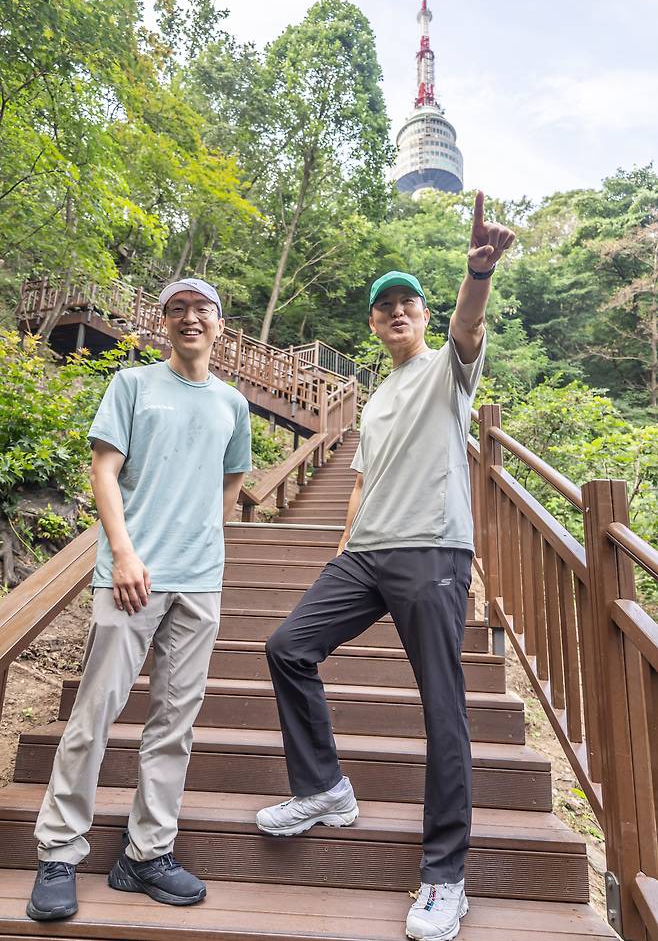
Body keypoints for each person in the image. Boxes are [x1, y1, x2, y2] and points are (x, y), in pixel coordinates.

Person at [256, 193, 515, 941]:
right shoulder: (373, 401)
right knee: (286, 646)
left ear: (423, 317)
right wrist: (342, 545)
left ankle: (445, 877)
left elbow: (470, 324)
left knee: (442, 707)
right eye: (384, 307)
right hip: (366, 554)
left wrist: (478, 272)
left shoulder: (446, 371)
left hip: (433, 548)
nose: (396, 312)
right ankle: (324, 787)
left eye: (407, 303)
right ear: (372, 325)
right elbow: (364, 477)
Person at [27, 279, 252, 922]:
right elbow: (103, 468)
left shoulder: (232, 404)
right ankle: (59, 851)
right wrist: (125, 554)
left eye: (202, 308)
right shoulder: (132, 385)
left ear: (218, 324)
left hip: (200, 581)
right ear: (164, 321)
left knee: (174, 725)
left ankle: (147, 852)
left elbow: (232, 480)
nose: (190, 318)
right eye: (177, 308)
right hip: (132, 575)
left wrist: (208, 539)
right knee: (95, 713)